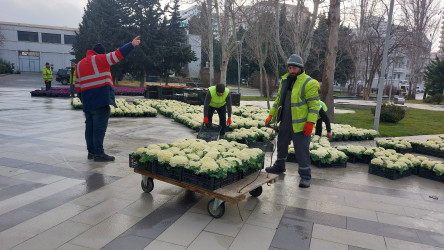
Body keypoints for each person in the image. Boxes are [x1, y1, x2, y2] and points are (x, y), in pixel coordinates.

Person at [75, 36, 141, 162]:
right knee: (99, 128)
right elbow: (117, 55)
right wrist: (131, 44)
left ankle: (91, 152)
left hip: (87, 101)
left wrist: (83, 100)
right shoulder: (99, 59)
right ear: (102, 53)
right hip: (100, 100)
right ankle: (99, 153)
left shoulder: (79, 64)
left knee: (89, 127)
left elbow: (77, 86)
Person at [264, 54, 320, 188]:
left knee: (301, 150)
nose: (291, 71)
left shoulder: (309, 83)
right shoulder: (285, 81)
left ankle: (305, 176)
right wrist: (271, 115)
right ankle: (279, 165)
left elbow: (314, 106)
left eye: (294, 68)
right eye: (289, 68)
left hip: (301, 124)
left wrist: (310, 123)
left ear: (300, 68)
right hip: (285, 121)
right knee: (282, 144)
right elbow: (279, 100)